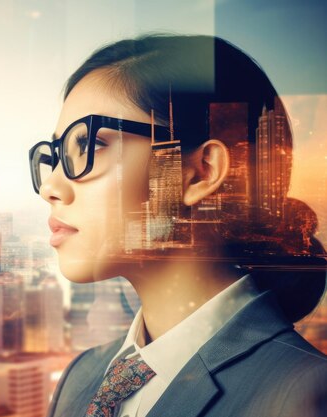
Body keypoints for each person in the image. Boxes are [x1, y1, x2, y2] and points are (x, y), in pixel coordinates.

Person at [29, 35, 327, 417]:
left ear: (201, 173)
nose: (51, 187)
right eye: (55, 155)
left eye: (90, 145)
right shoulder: (81, 377)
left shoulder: (300, 396)